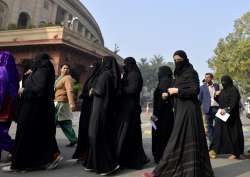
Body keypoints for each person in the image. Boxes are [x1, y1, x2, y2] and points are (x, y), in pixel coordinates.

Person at [144, 50, 214, 177]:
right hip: (180, 110)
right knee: (180, 139)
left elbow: (194, 90)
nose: (177, 62)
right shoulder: (177, 76)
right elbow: (176, 93)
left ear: (185, 59)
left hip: (190, 110)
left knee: (176, 139)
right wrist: (168, 94)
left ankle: (160, 172)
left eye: (179, 60)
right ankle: (177, 170)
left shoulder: (192, 73)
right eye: (175, 60)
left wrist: (177, 90)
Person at [2, 53, 62, 172]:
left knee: (27, 135)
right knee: (36, 137)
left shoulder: (43, 71)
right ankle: (31, 162)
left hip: (35, 110)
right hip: (37, 110)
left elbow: (39, 89)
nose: (33, 62)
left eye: (35, 60)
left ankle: (21, 164)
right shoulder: (40, 71)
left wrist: (24, 90)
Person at [85, 56, 120, 176]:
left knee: (95, 134)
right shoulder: (111, 75)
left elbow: (100, 91)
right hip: (103, 108)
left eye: (103, 61)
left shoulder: (105, 75)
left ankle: (106, 166)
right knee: (97, 135)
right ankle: (93, 163)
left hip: (100, 109)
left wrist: (92, 90)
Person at [115, 57, 149, 169]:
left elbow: (133, 89)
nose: (124, 66)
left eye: (125, 64)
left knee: (128, 133)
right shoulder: (129, 74)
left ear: (129, 64)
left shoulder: (134, 74)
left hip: (130, 108)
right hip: (127, 107)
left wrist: (120, 89)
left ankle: (130, 159)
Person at [210, 75, 244, 159]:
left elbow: (234, 102)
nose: (223, 83)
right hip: (222, 115)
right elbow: (219, 101)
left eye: (225, 81)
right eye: (222, 81)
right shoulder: (222, 91)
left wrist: (227, 109)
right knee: (218, 132)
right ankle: (214, 150)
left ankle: (235, 153)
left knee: (233, 135)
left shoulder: (233, 90)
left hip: (232, 117)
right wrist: (216, 95)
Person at [73, 61, 100, 161]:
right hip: (86, 107)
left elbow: (95, 92)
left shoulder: (98, 78)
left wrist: (88, 94)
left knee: (89, 130)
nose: (91, 68)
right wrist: (84, 94)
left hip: (92, 107)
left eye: (93, 67)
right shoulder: (90, 77)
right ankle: (82, 152)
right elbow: (86, 91)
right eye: (90, 66)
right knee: (83, 129)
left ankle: (88, 153)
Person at [151, 66, 174, 164]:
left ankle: (160, 156)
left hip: (160, 115)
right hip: (166, 114)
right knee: (166, 135)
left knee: (160, 135)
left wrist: (155, 116)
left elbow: (161, 101)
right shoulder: (170, 81)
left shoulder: (164, 82)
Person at [0, 52, 19, 161]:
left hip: (3, 108)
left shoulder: (2, 71)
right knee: (3, 131)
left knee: (1, 135)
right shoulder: (14, 72)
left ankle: (17, 150)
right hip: (9, 108)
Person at [54, 64, 78, 147]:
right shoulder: (59, 78)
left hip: (62, 102)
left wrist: (71, 103)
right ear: (60, 69)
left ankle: (47, 140)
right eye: (64, 68)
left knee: (54, 120)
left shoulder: (68, 78)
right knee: (65, 122)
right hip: (57, 101)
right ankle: (73, 139)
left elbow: (69, 90)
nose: (66, 69)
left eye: (67, 68)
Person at [199, 73, 220, 147]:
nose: (206, 79)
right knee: (209, 127)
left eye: (208, 77)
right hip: (207, 109)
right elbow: (200, 99)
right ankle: (212, 145)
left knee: (218, 126)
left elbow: (219, 96)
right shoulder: (202, 88)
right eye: (205, 77)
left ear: (212, 78)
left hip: (217, 108)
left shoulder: (216, 86)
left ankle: (218, 143)